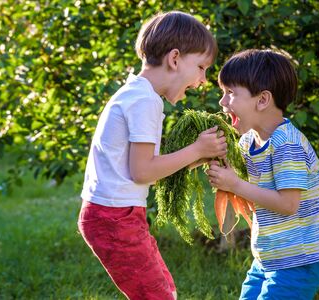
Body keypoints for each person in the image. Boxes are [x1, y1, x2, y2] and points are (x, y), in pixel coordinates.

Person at [78, 11, 227, 299]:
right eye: (201, 67)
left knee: (164, 289)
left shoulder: (137, 94)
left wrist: (198, 157)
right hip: (114, 218)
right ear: (174, 59)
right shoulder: (145, 101)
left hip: (115, 215)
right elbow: (143, 172)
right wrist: (197, 148)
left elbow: (146, 169)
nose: (202, 80)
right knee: (158, 295)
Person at [207, 49, 319, 299]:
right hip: (269, 255)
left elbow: (288, 204)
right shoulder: (247, 142)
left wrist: (235, 184)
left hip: (300, 257)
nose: (222, 102)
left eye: (230, 93)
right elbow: (234, 175)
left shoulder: (287, 144)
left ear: (263, 100)